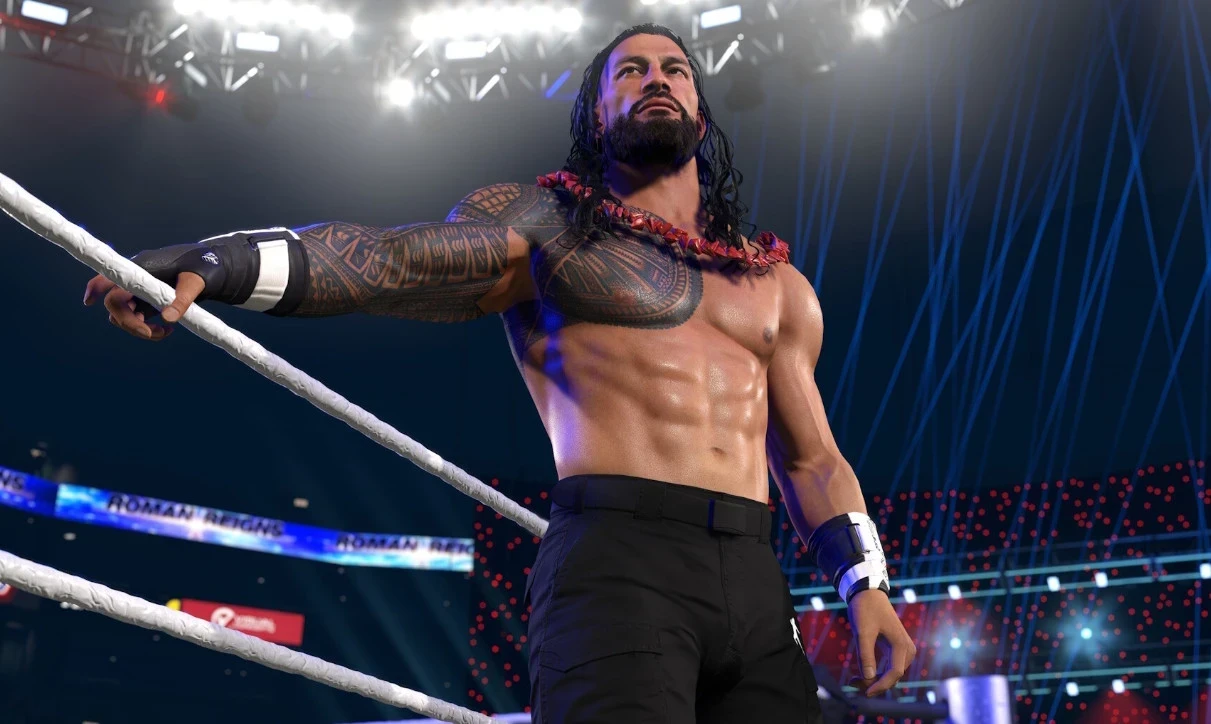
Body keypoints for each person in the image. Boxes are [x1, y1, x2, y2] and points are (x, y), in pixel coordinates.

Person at [83, 23, 915, 724]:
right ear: (596, 112)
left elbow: (810, 458)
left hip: (756, 577)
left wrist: (865, 588)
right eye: (630, 70)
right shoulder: (550, 229)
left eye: (674, 69)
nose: (656, 79)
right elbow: (391, 261)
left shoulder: (776, 286)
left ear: (700, 109)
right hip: (620, 559)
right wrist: (219, 262)